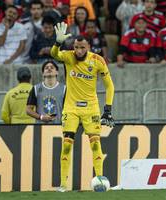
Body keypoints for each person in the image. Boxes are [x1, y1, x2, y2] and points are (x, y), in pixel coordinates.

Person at [50, 22, 115, 192]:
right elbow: (53, 54)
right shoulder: (68, 56)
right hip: (71, 108)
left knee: (95, 144)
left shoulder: (98, 60)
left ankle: (100, 181)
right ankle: (63, 185)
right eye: (76, 47)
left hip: (91, 108)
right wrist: (57, 42)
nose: (79, 51)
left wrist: (107, 109)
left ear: (88, 47)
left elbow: (110, 86)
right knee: (66, 144)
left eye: (82, 48)